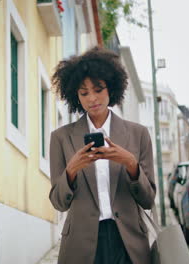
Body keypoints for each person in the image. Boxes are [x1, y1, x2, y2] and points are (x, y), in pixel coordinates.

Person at [49, 46, 156, 264]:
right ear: (75, 96)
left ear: (111, 88)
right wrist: (71, 171)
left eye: (98, 89)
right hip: (81, 244)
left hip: (128, 241)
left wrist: (131, 164)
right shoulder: (61, 138)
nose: (92, 98)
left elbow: (148, 199)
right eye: (84, 92)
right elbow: (59, 203)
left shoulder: (138, 134)